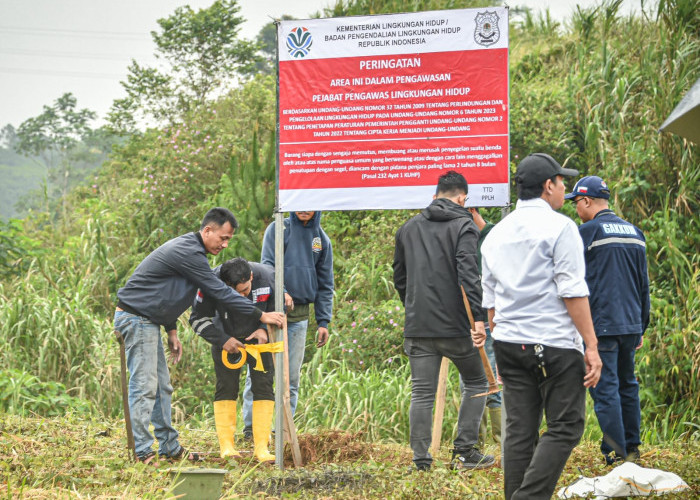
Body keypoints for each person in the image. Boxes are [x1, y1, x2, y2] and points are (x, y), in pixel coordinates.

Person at [113, 207, 284, 464]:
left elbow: (164, 291)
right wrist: (262, 316)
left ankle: (169, 447)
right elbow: (219, 291)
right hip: (136, 318)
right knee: (145, 386)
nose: (225, 244)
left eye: (229, 240)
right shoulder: (189, 252)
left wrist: (171, 329)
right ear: (207, 230)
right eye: (223, 238)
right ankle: (142, 451)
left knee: (162, 387)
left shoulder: (193, 253)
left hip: (150, 321)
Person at [480, 153, 603, 500]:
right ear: (549, 186)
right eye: (562, 182)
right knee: (565, 426)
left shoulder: (495, 234)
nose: (565, 188)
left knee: (520, 430)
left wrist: (501, 340)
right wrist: (590, 346)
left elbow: (490, 301)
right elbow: (573, 292)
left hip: (509, 343)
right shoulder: (561, 227)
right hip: (554, 344)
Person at [393, 170, 494, 472]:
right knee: (478, 382)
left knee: (421, 392)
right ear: (463, 198)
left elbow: (399, 277)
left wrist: (413, 307)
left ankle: (421, 461)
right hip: (455, 327)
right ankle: (464, 453)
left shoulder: (408, 228)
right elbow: (468, 275)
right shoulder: (465, 225)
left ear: (435, 194)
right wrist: (478, 319)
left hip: (419, 326)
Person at [566, 175, 649, 465]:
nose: (576, 209)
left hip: (601, 325)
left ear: (586, 201)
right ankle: (632, 447)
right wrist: (641, 326)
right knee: (628, 384)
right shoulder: (635, 232)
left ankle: (616, 450)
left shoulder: (586, 232)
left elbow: (573, 282)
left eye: (576, 203)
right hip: (630, 324)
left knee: (605, 387)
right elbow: (643, 284)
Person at [241, 211, 334, 439]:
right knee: (259, 371)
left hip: (299, 317)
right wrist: (281, 291)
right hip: (270, 313)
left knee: (291, 378)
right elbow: (267, 266)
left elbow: (325, 283)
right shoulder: (278, 228)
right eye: (300, 203)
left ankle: (283, 431)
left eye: (310, 205)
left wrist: (323, 320)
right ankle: (251, 429)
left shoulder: (321, 239)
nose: (304, 209)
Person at [189, 258, 279, 463]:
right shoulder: (210, 282)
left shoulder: (268, 276)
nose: (242, 297)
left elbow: (280, 309)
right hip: (226, 340)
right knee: (226, 388)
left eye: (245, 291)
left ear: (252, 277)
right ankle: (227, 447)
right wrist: (222, 340)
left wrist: (264, 330)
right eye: (235, 293)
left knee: (264, 387)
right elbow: (197, 319)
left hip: (259, 340)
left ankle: (261, 448)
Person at [467, 207, 501, 448]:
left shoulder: (494, 237)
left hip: (491, 318)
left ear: (471, 210)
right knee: (470, 379)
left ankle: (500, 441)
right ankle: (474, 441)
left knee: (493, 378)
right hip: (468, 320)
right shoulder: (462, 237)